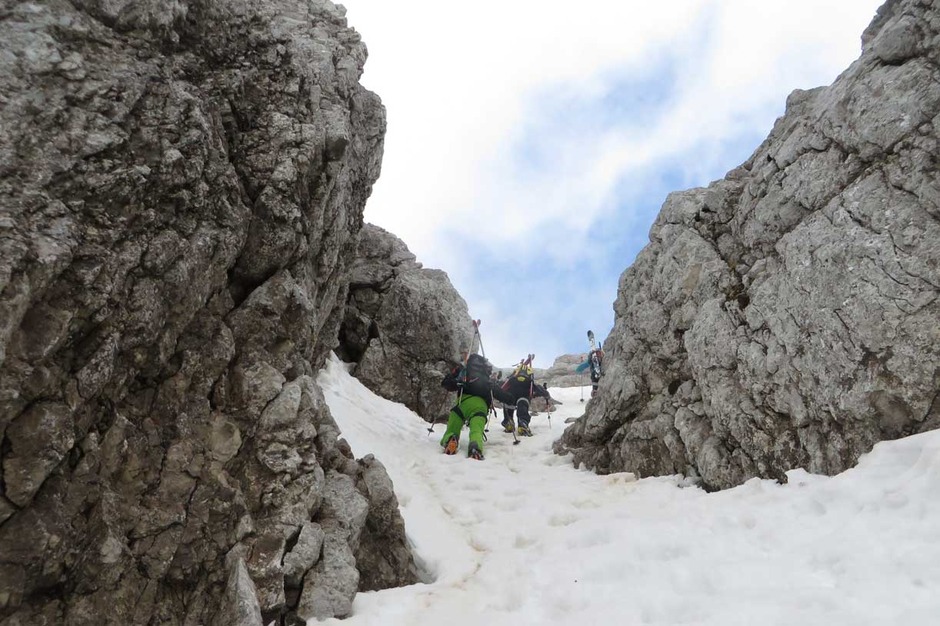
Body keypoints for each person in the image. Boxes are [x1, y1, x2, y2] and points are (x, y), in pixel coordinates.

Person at [440, 354, 514, 460]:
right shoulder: (487, 380)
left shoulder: (464, 373)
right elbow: (506, 397)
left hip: (462, 404)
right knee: (476, 430)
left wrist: (455, 378)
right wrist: (511, 398)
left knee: (453, 425)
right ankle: (475, 446)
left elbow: (446, 384)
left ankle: (450, 438)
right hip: (480, 407)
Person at [500, 361, 552, 436]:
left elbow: (502, 387)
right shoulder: (530, 382)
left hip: (511, 397)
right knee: (522, 404)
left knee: (508, 403)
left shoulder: (511, 380)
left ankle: (508, 422)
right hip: (523, 398)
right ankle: (523, 423)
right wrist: (546, 394)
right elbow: (539, 389)